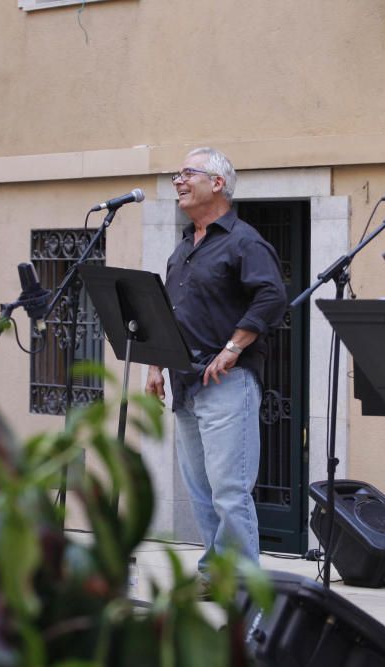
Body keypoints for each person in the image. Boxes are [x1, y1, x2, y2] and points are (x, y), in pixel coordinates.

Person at [145, 147, 286, 572]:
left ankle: (245, 583)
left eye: (188, 174)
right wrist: (155, 364)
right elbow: (170, 311)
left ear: (218, 183)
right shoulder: (184, 246)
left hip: (227, 382)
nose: (179, 182)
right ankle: (214, 572)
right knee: (202, 492)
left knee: (229, 491)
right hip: (186, 384)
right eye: (176, 176)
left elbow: (272, 296)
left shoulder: (244, 241)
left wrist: (233, 347)